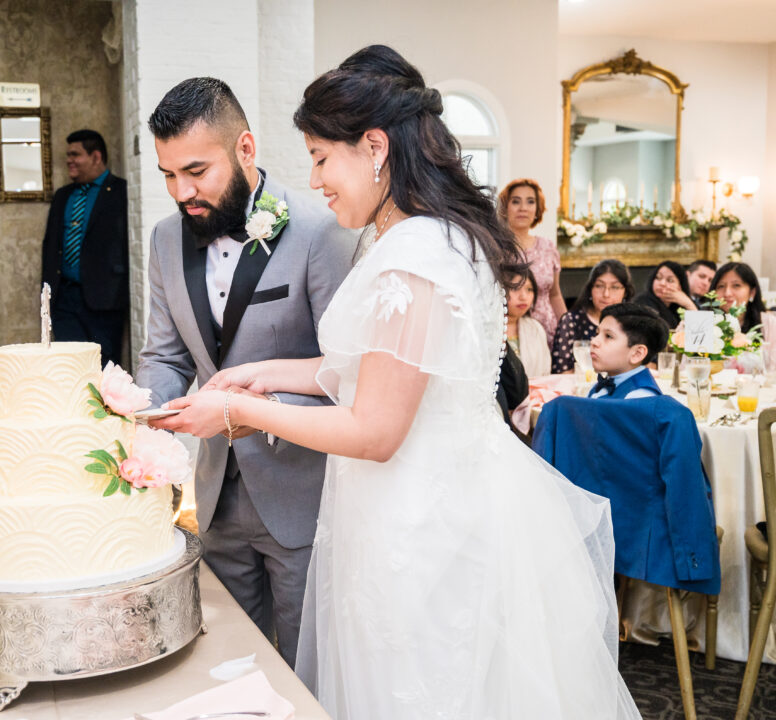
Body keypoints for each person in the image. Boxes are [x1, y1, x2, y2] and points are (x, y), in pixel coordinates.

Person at [163, 45, 640, 719]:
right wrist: (257, 373)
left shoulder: (414, 257)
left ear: (375, 146)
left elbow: (376, 429)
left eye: (323, 156)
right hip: (428, 499)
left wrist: (240, 413)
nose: (316, 178)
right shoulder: (433, 237)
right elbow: (373, 368)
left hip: (421, 525)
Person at [135, 77, 355, 667]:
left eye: (197, 171)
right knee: (230, 663)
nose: (182, 192)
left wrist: (249, 417)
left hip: (301, 495)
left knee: (308, 669)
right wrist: (144, 418)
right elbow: (166, 356)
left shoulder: (321, 232)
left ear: (246, 150)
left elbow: (347, 376)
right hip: (212, 501)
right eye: (168, 175)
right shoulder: (162, 241)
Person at [41, 129, 128, 366]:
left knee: (105, 367)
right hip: (64, 299)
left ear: (96, 157)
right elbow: (50, 245)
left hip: (105, 300)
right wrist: (47, 294)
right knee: (69, 366)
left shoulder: (122, 192)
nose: (69, 160)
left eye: (75, 154)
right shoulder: (63, 195)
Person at [498, 178, 566, 345]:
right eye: (515, 201)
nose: (523, 208)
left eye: (530, 202)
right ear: (505, 208)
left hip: (548, 331)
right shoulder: (496, 248)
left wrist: (566, 328)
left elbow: (555, 294)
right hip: (511, 334)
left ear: (537, 209)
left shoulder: (548, 247)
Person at [551, 259, 635, 374]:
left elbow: (648, 364)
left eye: (615, 287)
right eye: (599, 286)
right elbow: (560, 372)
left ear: (625, 292)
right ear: (590, 289)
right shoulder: (572, 321)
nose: (606, 294)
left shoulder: (632, 322)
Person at [588, 304, 668, 399]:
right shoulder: (602, 385)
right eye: (597, 333)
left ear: (637, 354)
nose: (594, 341)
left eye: (608, 336)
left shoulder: (639, 397)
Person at [710, 261, 776, 370]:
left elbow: (773, 371)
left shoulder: (769, 323)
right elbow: (687, 368)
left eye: (736, 285)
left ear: (752, 293)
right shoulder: (704, 323)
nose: (727, 293)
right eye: (721, 286)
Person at [506, 267, 550, 377]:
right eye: (515, 288)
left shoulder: (535, 328)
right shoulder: (485, 330)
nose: (523, 297)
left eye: (529, 289)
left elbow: (545, 373)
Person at [631, 261, 696, 328]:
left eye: (670, 280)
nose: (662, 283)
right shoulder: (642, 302)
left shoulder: (678, 308)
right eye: (658, 278)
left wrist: (689, 304)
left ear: (680, 287)